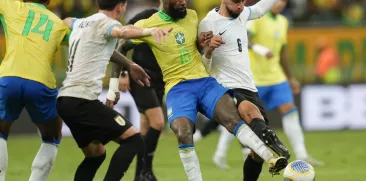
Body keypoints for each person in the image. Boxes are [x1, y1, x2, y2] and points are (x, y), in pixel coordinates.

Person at [110, 0, 288, 180]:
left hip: (204, 82)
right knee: (183, 132)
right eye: (178, 0)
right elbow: (120, 46)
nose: (183, 3)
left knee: (232, 118)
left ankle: (270, 157)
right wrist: (117, 81)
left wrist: (204, 45)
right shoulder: (147, 24)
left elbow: (194, 47)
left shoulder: (193, 17)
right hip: (177, 88)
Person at [56, 0, 171, 180]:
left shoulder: (82, 22)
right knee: (134, 140)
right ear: (120, 6)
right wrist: (149, 31)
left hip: (65, 100)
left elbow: (66, 22)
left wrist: (129, 64)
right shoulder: (108, 23)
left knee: (96, 155)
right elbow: (123, 32)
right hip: (83, 100)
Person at [198, 0, 291, 180]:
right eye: (236, 2)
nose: (240, 6)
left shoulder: (242, 14)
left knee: (256, 153)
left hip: (249, 86)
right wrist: (208, 51)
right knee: (248, 110)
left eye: (242, 1)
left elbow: (260, 8)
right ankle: (276, 145)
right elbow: (202, 67)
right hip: (224, 87)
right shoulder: (208, 23)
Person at [247, 0, 324, 166]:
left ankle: (302, 154)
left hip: (277, 77)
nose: (279, 4)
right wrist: (260, 49)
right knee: (246, 116)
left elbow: (282, 52)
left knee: (290, 110)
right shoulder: (256, 18)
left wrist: (290, 77)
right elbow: (246, 40)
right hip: (256, 78)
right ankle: (221, 153)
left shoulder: (283, 21)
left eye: (282, 1)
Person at [0, 0, 70, 180]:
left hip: (9, 78)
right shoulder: (58, 23)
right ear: (48, 1)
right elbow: (89, 41)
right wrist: (128, 65)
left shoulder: (11, 5)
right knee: (52, 136)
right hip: (41, 82)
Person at [109, 8, 165, 181]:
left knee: (146, 126)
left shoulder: (177, 22)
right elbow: (122, 41)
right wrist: (124, 73)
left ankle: (139, 175)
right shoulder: (147, 16)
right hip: (140, 76)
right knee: (158, 122)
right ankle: (146, 170)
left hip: (160, 79)